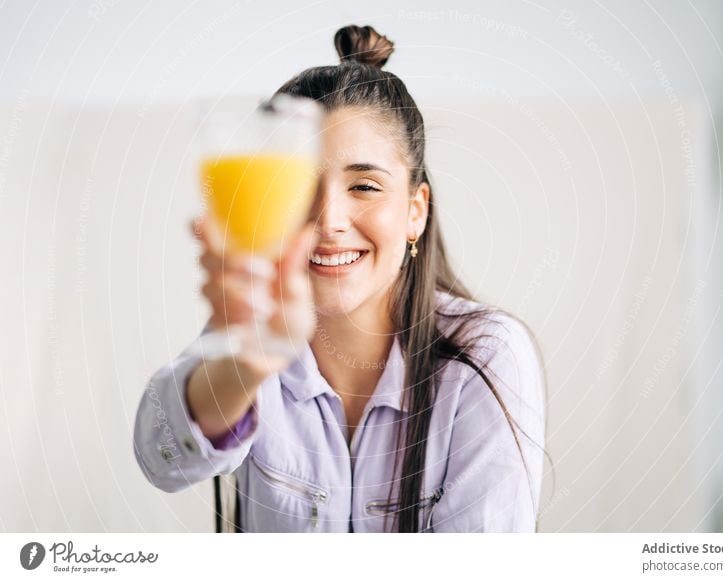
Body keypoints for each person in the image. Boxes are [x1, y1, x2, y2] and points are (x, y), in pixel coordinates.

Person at [133, 24, 547, 532]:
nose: (329, 218)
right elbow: (163, 458)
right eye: (300, 187)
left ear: (415, 212)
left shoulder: (483, 355)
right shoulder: (250, 332)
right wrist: (244, 363)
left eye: (365, 185)